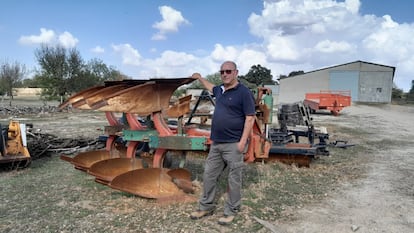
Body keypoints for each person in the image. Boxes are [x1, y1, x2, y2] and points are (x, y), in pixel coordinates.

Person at [190, 61, 256, 225]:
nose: (225, 74)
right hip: (217, 143)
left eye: (228, 71)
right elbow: (210, 86)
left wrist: (242, 143)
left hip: (233, 144)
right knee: (209, 175)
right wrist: (200, 78)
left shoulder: (243, 92)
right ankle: (206, 206)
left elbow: (250, 118)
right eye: (222, 72)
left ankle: (231, 210)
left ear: (236, 72)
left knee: (233, 179)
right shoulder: (220, 90)